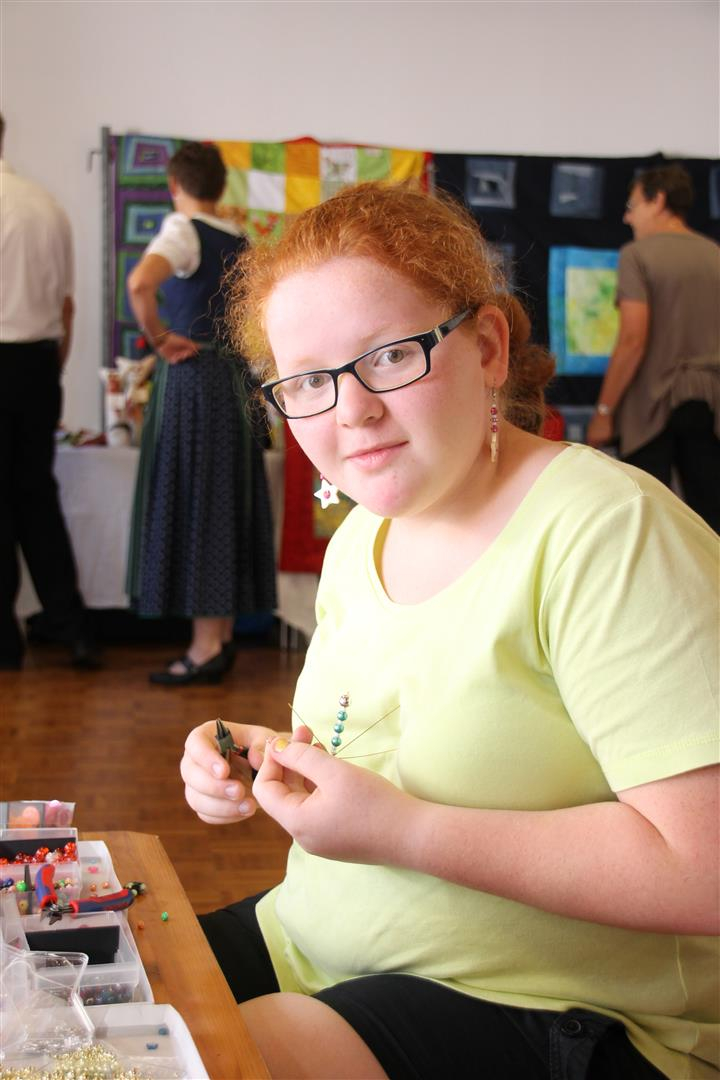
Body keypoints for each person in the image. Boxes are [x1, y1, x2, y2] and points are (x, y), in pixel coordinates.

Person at [181, 181, 718, 1079]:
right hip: (318, 944)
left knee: (237, 1056)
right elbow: (397, 749)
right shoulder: (361, 539)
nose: (351, 409)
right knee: (107, 983)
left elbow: (705, 866)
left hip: (563, 1012)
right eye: (307, 380)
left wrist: (404, 831)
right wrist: (260, 754)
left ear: (488, 347)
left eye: (391, 355)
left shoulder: (608, 532)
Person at [126, 142, 276, 685]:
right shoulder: (240, 240)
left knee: (200, 502)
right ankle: (221, 637)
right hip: (234, 383)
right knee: (223, 501)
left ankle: (205, 646)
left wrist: (160, 338)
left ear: (175, 185)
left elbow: (140, 283)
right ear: (219, 186)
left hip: (195, 383)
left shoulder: (183, 230)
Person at [0, 112, 99, 670]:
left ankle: (5, 639)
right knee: (36, 495)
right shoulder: (46, 205)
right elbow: (66, 307)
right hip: (38, 365)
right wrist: (50, 370)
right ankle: (71, 626)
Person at [586, 163, 720, 532]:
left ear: (658, 200)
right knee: (711, 516)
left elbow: (633, 339)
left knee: (646, 518)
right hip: (711, 406)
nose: (627, 218)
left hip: (652, 404)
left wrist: (604, 411)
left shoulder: (637, 255)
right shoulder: (715, 254)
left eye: (632, 206)